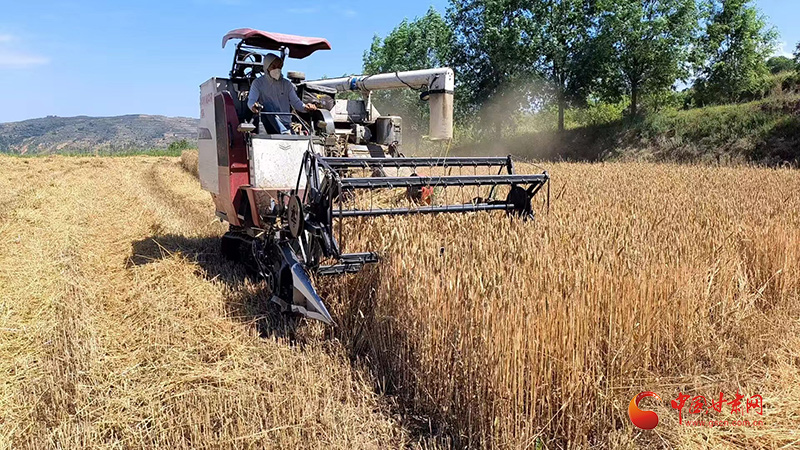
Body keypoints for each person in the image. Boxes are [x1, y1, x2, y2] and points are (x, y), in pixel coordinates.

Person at [247, 53, 317, 134]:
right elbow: (251, 100)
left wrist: (306, 107)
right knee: (266, 105)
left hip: (286, 123)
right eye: (274, 67)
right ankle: (284, 133)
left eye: (279, 67)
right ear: (267, 67)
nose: (277, 69)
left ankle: (286, 133)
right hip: (267, 124)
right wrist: (253, 106)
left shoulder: (287, 84)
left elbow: (296, 102)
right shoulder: (258, 83)